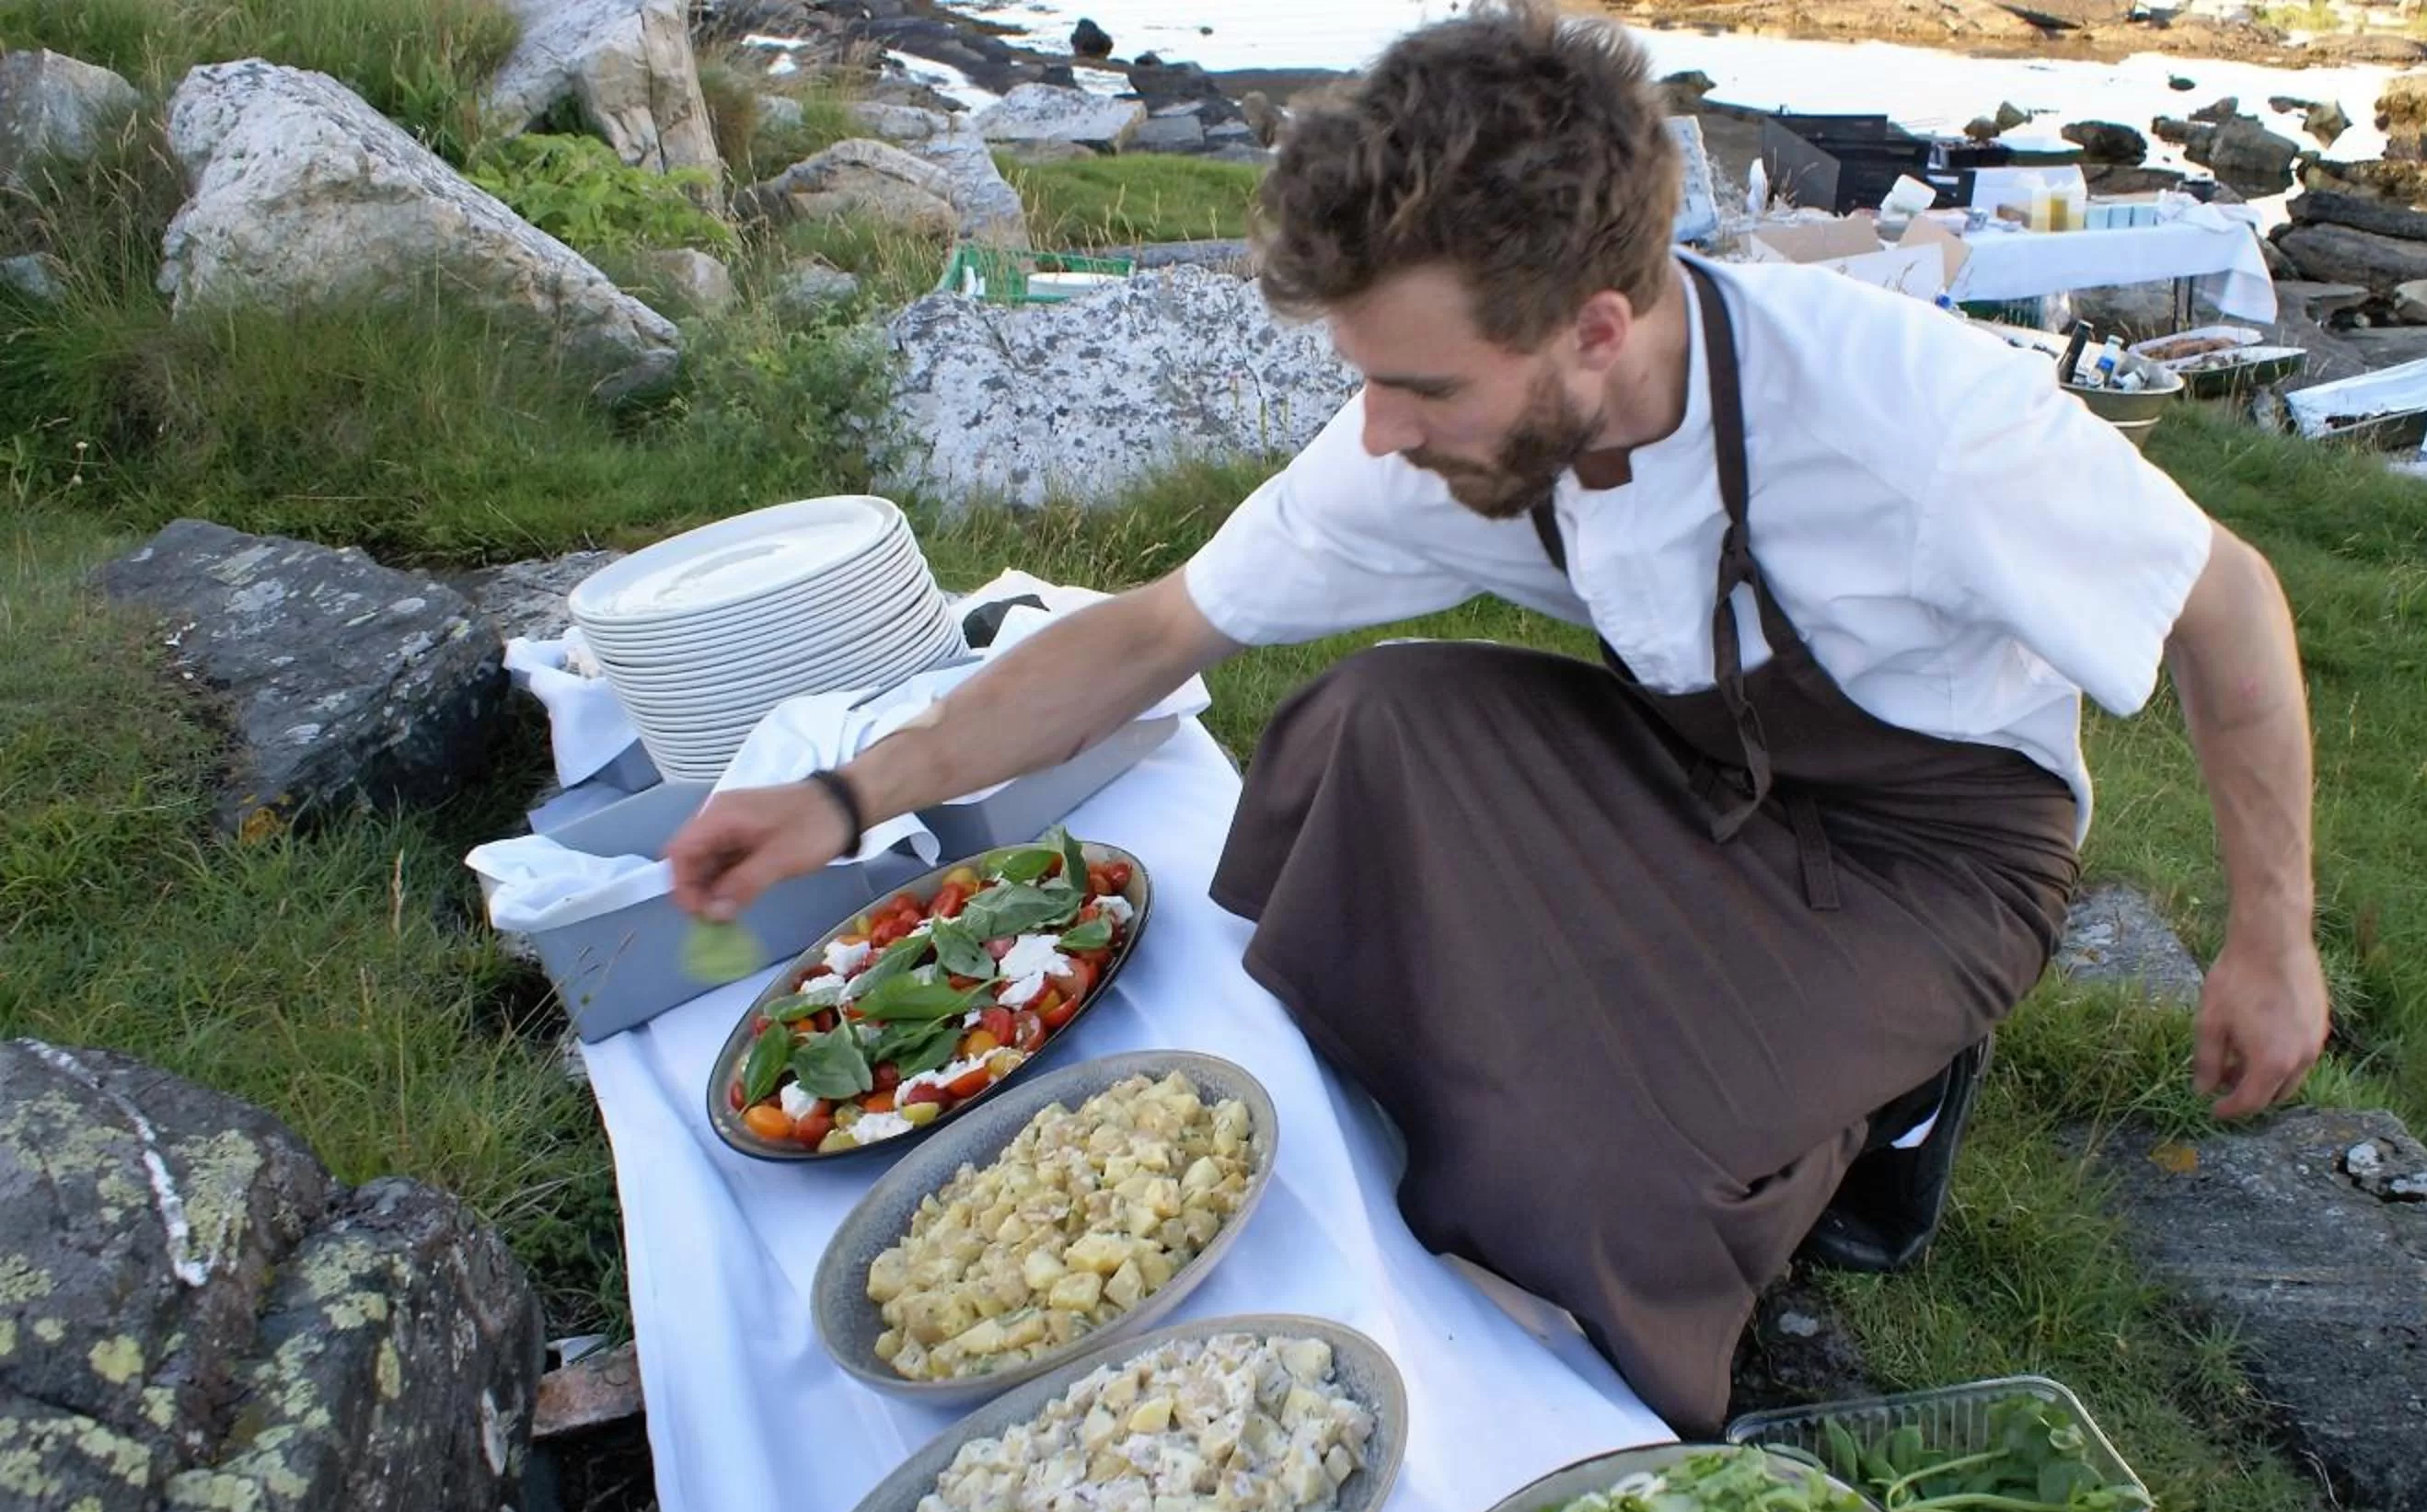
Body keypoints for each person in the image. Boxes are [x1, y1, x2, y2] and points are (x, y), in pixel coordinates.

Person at [665, 1, 2329, 1435]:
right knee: (1367, 724)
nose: (1378, 432)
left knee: (1587, 1178)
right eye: (1364, 375)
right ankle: (1629, 1047)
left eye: (1424, 387)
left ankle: (1868, 1112)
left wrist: (2271, 941)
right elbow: (1157, 632)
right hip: (1691, 760)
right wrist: (842, 794)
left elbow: (2227, 606)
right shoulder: (1442, 428)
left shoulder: (1913, 416)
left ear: (1600, 327)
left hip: (1938, 855)